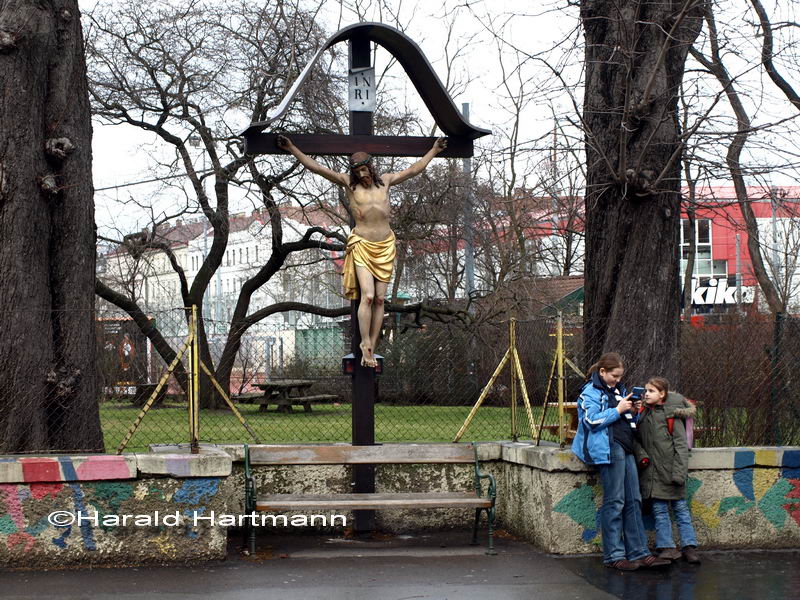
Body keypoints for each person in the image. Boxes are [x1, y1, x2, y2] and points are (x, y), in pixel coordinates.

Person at [277, 134, 447, 367]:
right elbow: (316, 167)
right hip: (362, 245)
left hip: (385, 245)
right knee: (367, 296)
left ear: (371, 168)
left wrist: (434, 150)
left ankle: (372, 346)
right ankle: (364, 343)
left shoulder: (386, 181)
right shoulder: (349, 183)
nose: (362, 176)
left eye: (365, 171)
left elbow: (414, 170)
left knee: (379, 299)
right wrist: (293, 148)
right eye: (358, 172)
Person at [571, 352, 670, 571]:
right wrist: (617, 410)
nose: (617, 380)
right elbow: (590, 420)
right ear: (602, 372)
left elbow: (624, 419)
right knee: (615, 501)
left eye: (619, 376)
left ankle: (639, 552)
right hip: (608, 449)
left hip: (625, 446)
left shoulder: (619, 390)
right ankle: (614, 555)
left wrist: (632, 412)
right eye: (614, 376)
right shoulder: (590, 392)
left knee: (634, 499)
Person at [635, 377, 701, 564]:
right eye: (646, 390)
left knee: (680, 509)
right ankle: (667, 547)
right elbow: (636, 439)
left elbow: (681, 446)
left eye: (652, 391)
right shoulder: (643, 414)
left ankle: (689, 547)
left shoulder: (672, 416)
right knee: (660, 511)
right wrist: (642, 457)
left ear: (662, 394)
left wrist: (679, 473)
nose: (646, 394)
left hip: (671, 472)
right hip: (652, 473)